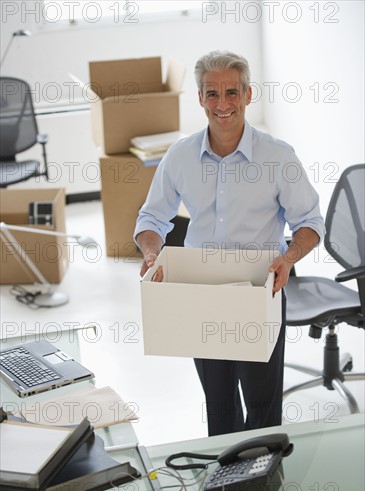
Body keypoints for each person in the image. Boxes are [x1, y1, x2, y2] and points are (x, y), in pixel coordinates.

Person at [134, 51, 325, 436]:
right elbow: (151, 219)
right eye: (212, 94)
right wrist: (152, 252)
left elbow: (310, 223)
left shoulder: (277, 156)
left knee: (262, 409)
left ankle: (262, 481)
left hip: (260, 291)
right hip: (201, 294)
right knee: (219, 407)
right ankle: (226, 483)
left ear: (248, 94)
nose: (223, 105)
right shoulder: (181, 156)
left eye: (232, 93)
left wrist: (289, 258)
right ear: (200, 99)